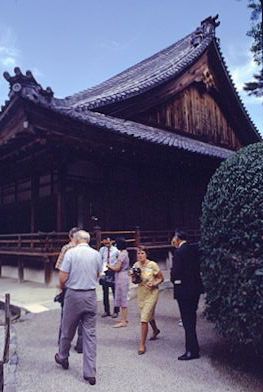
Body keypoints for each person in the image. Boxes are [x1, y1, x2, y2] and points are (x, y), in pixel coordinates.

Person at [55, 230, 102, 386]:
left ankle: (62, 356)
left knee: (67, 328)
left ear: (76, 239)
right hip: (90, 295)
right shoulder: (96, 254)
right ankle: (90, 373)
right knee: (90, 334)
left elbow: (62, 277)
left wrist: (63, 289)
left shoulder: (71, 253)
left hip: (73, 294)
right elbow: (97, 274)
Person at [170, 230, 204, 361]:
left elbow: (176, 272)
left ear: (178, 238)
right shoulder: (193, 249)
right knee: (191, 318)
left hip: (184, 290)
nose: (173, 240)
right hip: (195, 289)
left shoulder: (179, 252)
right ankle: (193, 347)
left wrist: (175, 281)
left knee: (187, 321)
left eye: (174, 237)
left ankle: (191, 350)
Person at [131, 247, 164, 355]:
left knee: (144, 318)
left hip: (152, 293)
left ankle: (142, 344)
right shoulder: (136, 265)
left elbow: (161, 278)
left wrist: (154, 283)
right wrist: (134, 277)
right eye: (138, 253)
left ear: (146, 254)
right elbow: (135, 281)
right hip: (141, 293)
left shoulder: (152, 265)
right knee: (148, 315)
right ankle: (155, 330)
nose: (140, 255)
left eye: (142, 253)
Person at [55, 227, 80, 346]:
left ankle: (63, 342)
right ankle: (80, 343)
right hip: (80, 285)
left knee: (66, 316)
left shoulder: (66, 248)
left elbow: (60, 268)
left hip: (69, 285)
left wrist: (61, 286)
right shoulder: (85, 249)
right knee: (81, 316)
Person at [107, 237, 129, 328]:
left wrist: (108, 265)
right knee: (121, 297)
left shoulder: (122, 254)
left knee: (122, 298)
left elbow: (117, 268)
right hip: (123, 275)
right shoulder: (124, 253)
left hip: (121, 276)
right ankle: (124, 318)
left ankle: (123, 321)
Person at [99, 237, 120, 318]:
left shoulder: (116, 250)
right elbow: (100, 260)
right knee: (105, 292)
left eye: (108, 241)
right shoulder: (102, 250)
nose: (107, 243)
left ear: (112, 241)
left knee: (115, 292)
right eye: (105, 241)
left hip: (113, 271)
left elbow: (119, 261)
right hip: (104, 271)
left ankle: (116, 311)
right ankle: (106, 311)